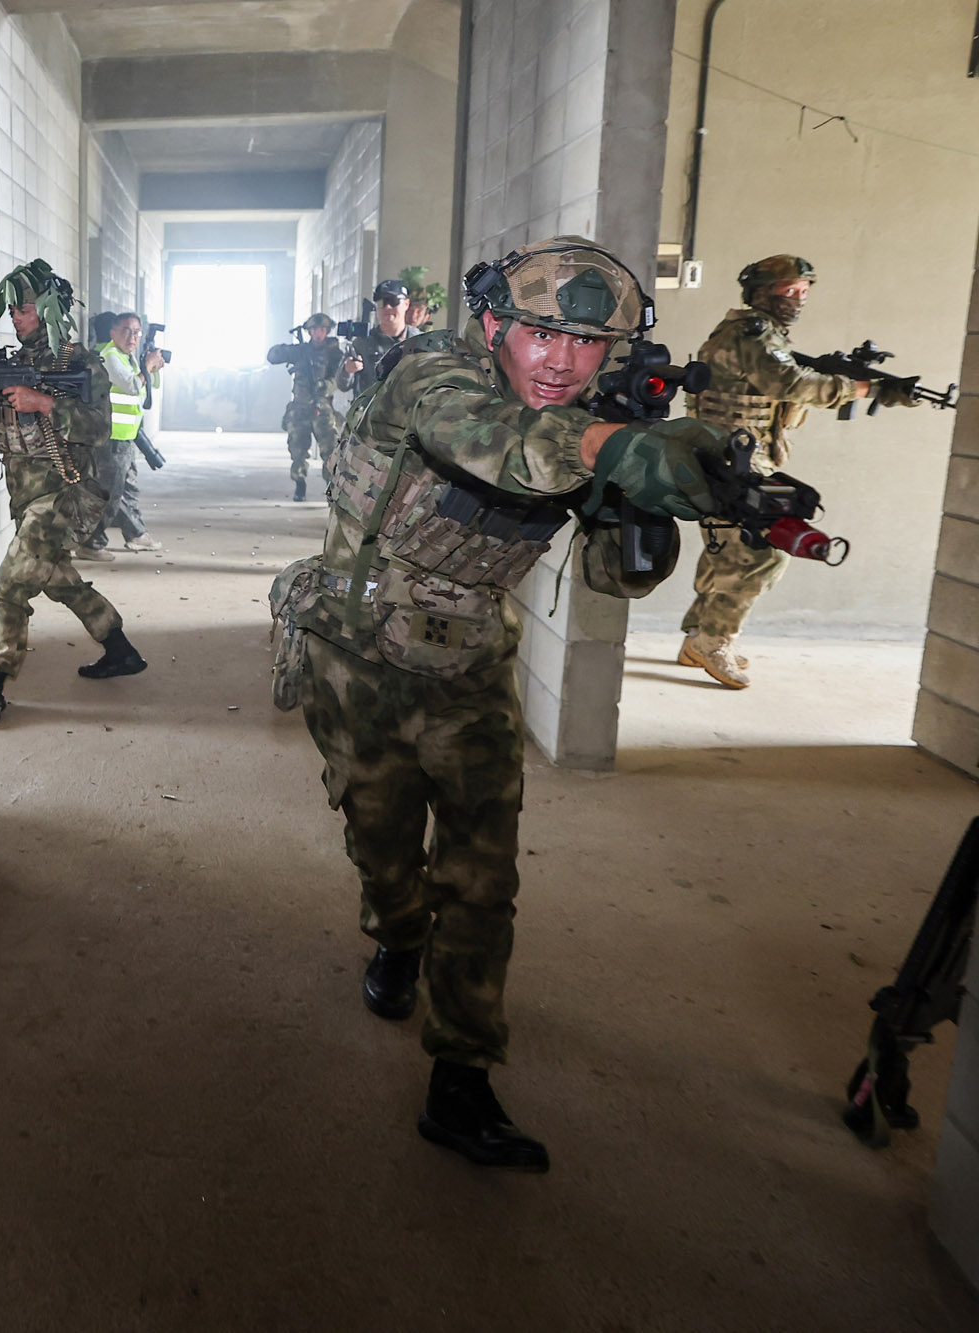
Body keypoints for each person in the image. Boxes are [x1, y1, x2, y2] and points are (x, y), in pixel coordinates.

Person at [280, 236, 730, 1171]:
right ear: (495, 324)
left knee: (483, 875)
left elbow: (621, 573)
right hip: (360, 653)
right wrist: (621, 448)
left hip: (472, 661)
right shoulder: (433, 373)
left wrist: (643, 494)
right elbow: (499, 447)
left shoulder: (584, 415)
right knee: (383, 843)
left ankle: (462, 1077)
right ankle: (397, 935)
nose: (563, 361)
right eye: (541, 334)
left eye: (589, 344)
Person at [0, 260, 148, 728]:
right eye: (13, 313)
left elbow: (101, 429)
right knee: (56, 577)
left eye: (22, 310)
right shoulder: (13, 366)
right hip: (26, 499)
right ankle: (120, 649)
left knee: (12, 586)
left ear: (47, 309)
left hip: (66, 495)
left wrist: (45, 403)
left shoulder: (80, 363)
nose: (16, 320)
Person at [675, 254, 915, 687]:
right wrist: (865, 387)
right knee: (761, 553)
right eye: (789, 291)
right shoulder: (755, 335)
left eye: (804, 292)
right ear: (762, 292)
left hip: (720, 455)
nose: (798, 300)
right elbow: (793, 385)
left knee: (724, 547)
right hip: (737, 461)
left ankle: (698, 637)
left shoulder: (749, 331)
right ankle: (715, 641)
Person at [81, 311, 165, 554]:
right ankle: (91, 542)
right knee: (109, 496)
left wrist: (153, 368)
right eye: (126, 331)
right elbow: (131, 386)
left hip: (126, 437)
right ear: (113, 333)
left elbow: (147, 388)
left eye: (136, 332)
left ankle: (136, 533)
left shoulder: (127, 357)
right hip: (111, 438)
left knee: (127, 491)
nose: (132, 336)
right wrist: (147, 366)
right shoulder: (109, 356)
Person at [268, 312, 345, 499]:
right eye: (314, 330)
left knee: (330, 449)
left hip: (323, 406)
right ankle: (299, 483)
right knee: (298, 448)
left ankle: (331, 488)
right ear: (309, 332)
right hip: (300, 406)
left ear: (327, 331)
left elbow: (340, 378)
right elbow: (272, 356)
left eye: (322, 330)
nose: (318, 333)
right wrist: (284, 351)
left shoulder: (334, 353)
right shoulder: (301, 350)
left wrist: (325, 386)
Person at [340, 278, 416, 393]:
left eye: (394, 301)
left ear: (406, 304)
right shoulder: (362, 343)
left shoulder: (421, 341)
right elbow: (342, 385)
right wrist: (348, 370)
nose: (387, 307)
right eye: (382, 302)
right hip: (372, 409)